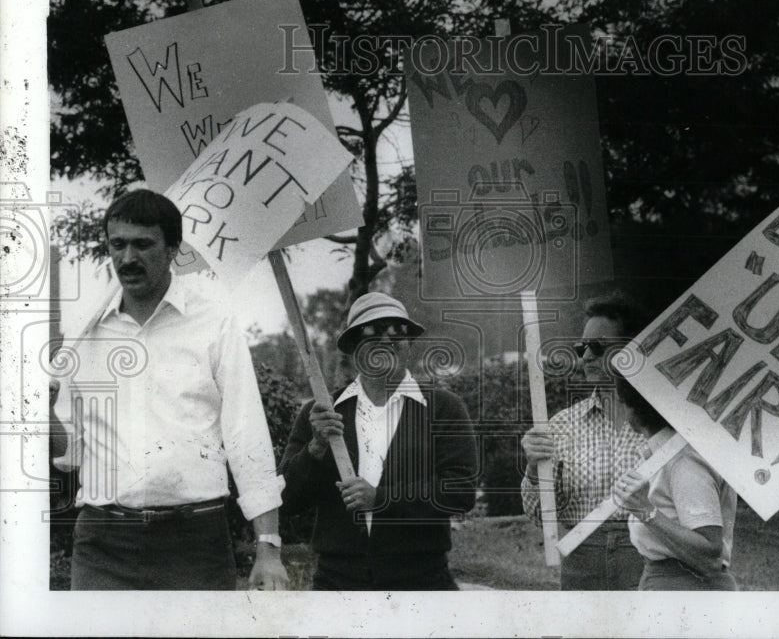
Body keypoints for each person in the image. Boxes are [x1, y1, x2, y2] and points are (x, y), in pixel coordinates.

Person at [49, 188, 288, 590]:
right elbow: (68, 451)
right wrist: (35, 408)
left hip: (194, 545)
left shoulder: (213, 321)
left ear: (173, 248)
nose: (127, 258)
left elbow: (247, 437)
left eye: (143, 245)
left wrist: (268, 547)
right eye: (118, 244)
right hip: (103, 546)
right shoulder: (84, 333)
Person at [279, 292, 478, 590]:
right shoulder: (319, 413)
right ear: (354, 347)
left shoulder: (443, 407)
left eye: (395, 331)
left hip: (421, 580)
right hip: (337, 582)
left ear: (408, 343)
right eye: (372, 333)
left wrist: (381, 499)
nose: (385, 340)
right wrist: (315, 449)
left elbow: (461, 491)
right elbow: (287, 500)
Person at [520, 291, 647, 589]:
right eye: (582, 347)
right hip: (581, 565)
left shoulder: (665, 425)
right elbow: (541, 517)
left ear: (631, 350)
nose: (586, 356)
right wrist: (534, 471)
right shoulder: (561, 425)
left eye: (597, 347)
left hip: (648, 561)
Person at [612, 373, 738, 591]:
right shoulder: (663, 453)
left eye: (623, 403)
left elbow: (709, 555)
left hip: (688, 589)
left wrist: (645, 511)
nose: (621, 411)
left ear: (637, 407)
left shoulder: (684, 459)